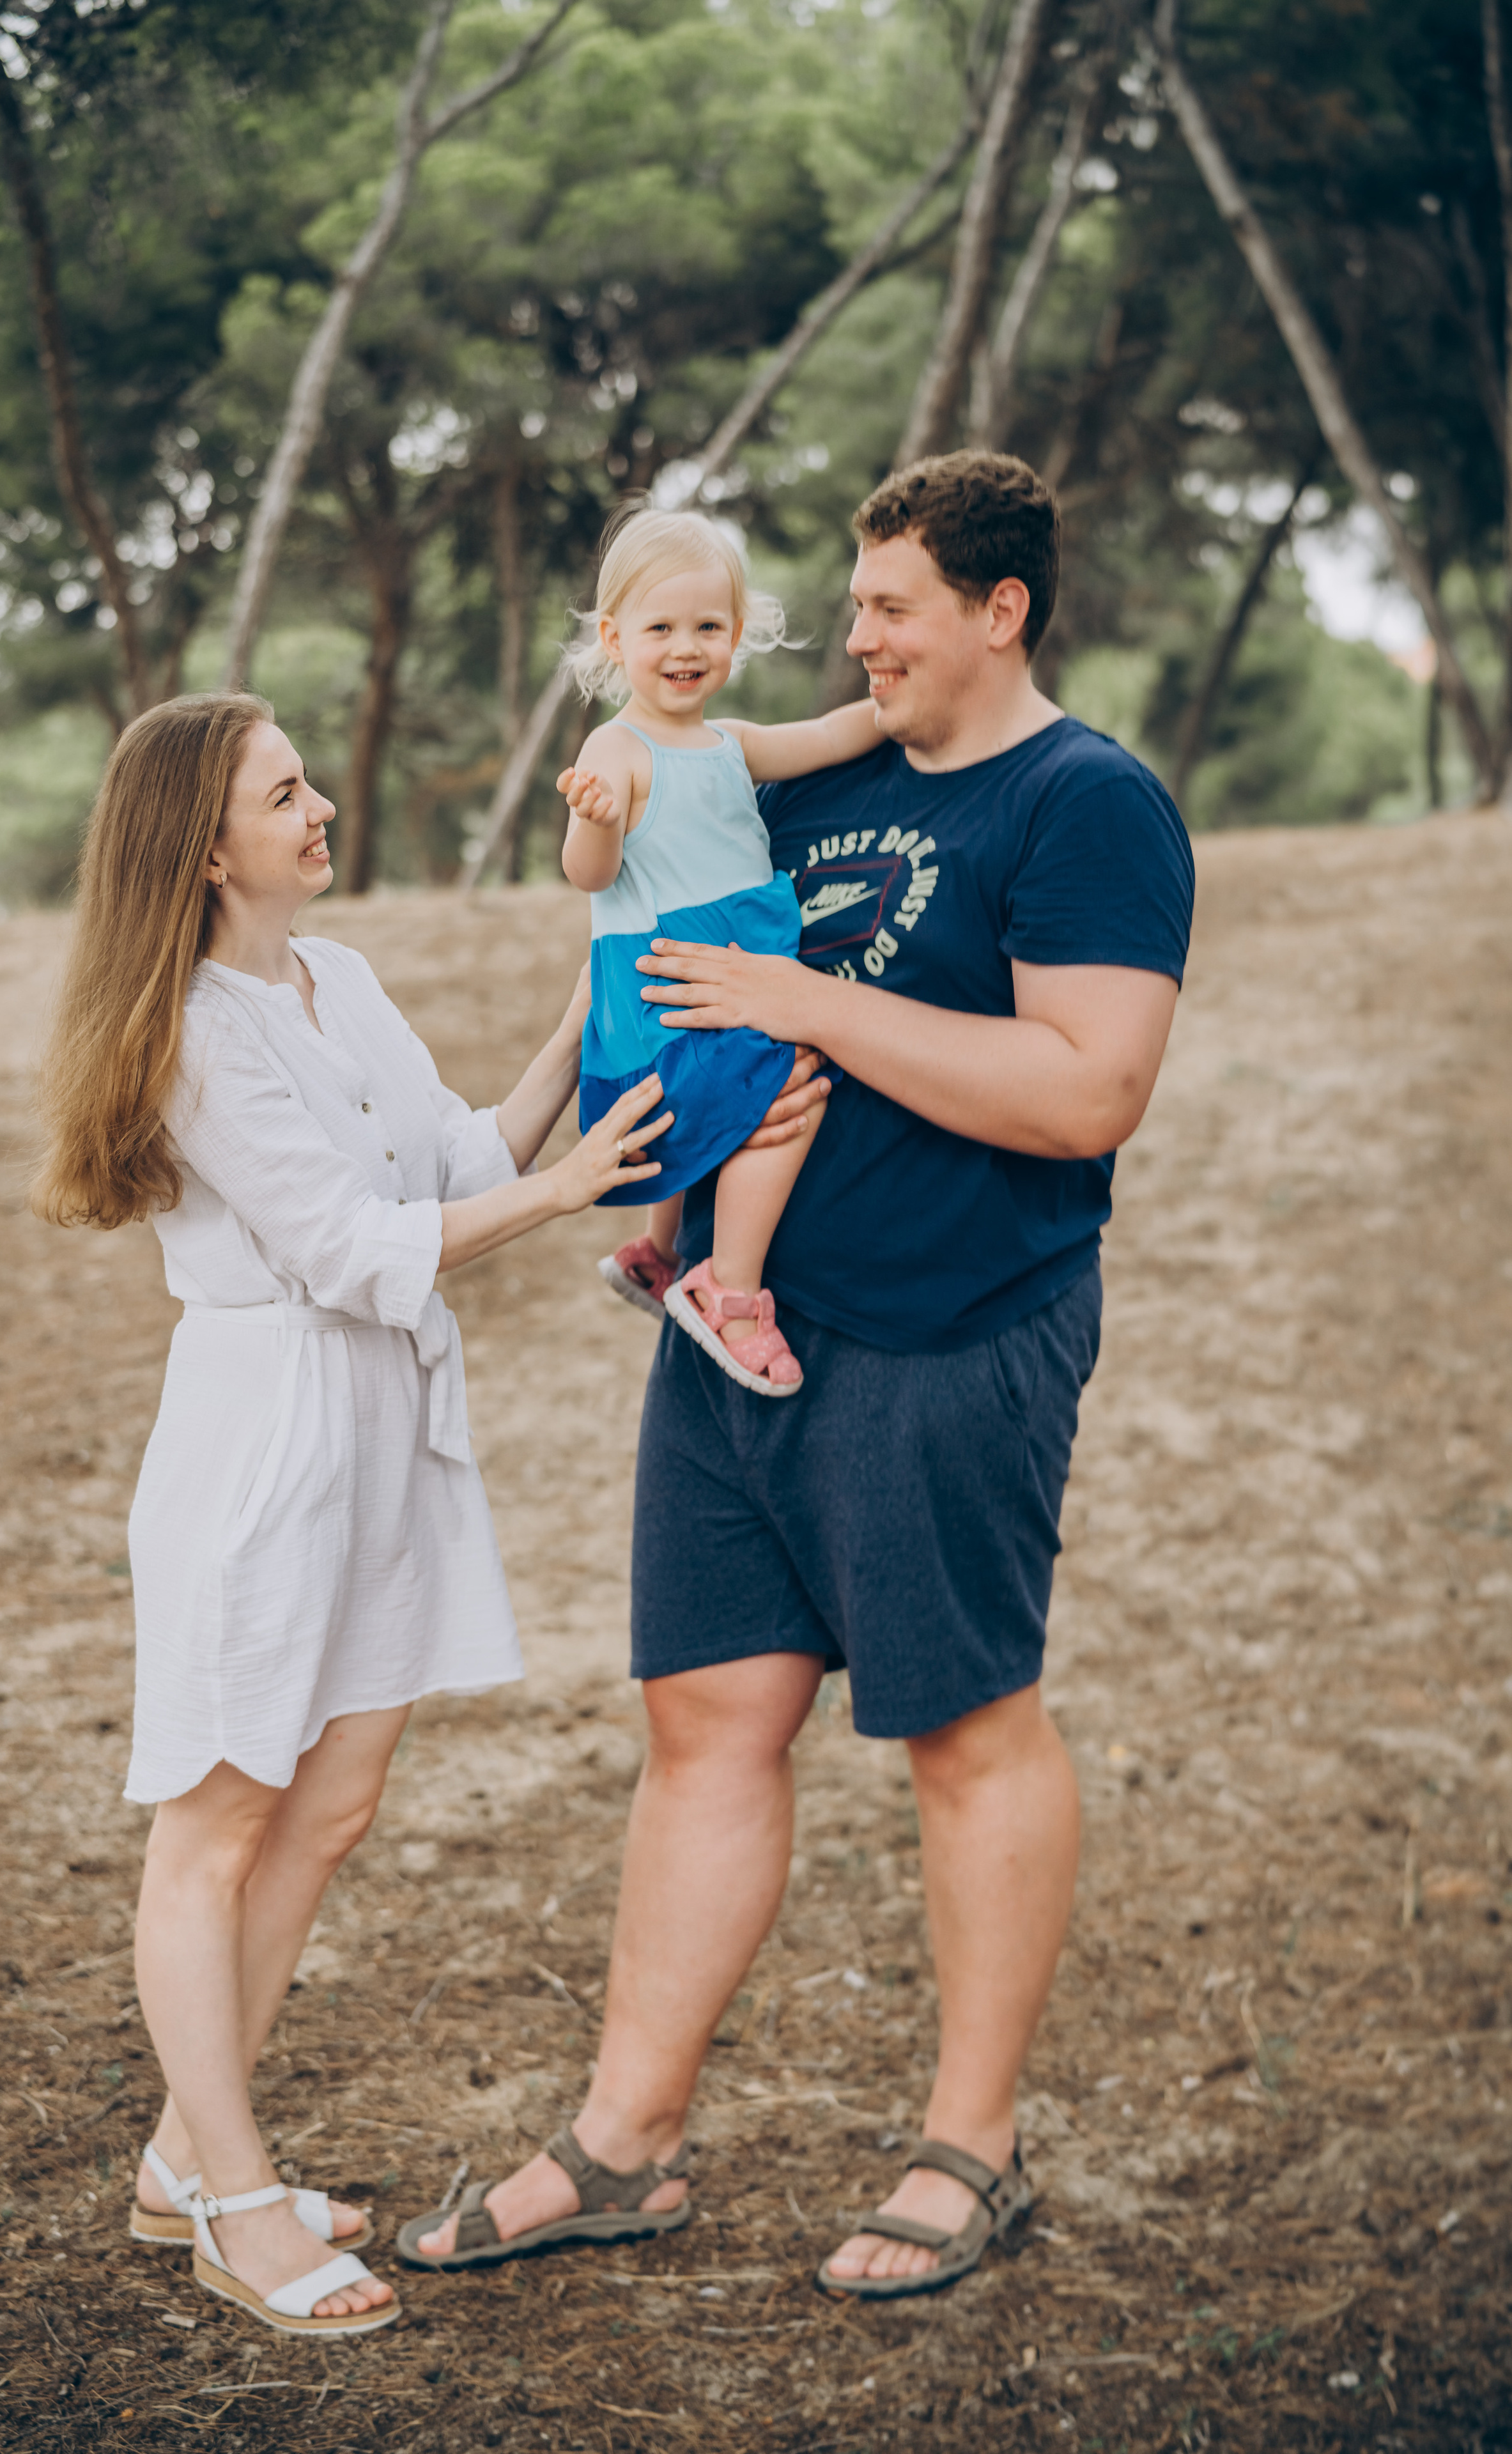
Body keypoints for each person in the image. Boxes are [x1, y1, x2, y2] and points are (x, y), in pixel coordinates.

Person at [397, 450, 1195, 2300]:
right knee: (705, 1724)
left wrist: (813, 1008)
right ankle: (625, 2142)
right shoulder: (826, 777)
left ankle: (968, 2152)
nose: (861, 638)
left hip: (954, 1325)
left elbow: (1092, 1089)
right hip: (735, 1326)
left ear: (1001, 611)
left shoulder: (1087, 804)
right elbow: (663, 936)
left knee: (964, 1731)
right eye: (854, 608)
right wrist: (532, 1130)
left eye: (895, 608)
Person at [31, 691, 674, 2337]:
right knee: (219, 1823)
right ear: (204, 844)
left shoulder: (343, 982)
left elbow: (450, 1163)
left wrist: (588, 1021)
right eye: (287, 791)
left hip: (386, 1426)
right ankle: (233, 2206)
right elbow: (338, 1244)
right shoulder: (186, 1028)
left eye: (308, 783)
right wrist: (568, 1187)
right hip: (267, 1438)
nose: (321, 809)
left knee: (331, 1806)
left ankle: (188, 2149)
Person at [562, 504, 878, 1395]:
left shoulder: (731, 746)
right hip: (670, 990)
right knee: (792, 1077)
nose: (685, 646)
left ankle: (658, 1254)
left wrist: (894, 713)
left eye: (708, 626)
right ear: (617, 639)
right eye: (661, 627)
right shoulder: (615, 748)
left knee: (730, 1073)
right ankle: (728, 1287)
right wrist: (597, 821)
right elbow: (591, 875)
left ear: (738, 637)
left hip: (715, 978)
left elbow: (822, 740)